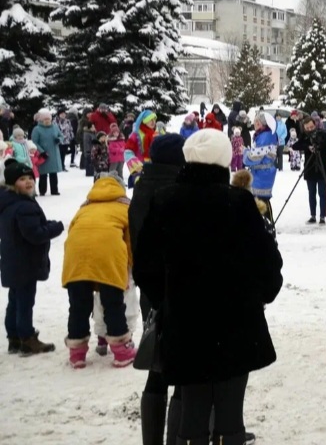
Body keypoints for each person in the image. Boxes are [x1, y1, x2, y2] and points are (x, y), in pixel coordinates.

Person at [134, 129, 283, 443]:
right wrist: (259, 296)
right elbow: (267, 263)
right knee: (230, 412)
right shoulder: (239, 203)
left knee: (193, 408)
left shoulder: (165, 201)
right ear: (225, 160)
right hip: (236, 323)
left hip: (185, 325)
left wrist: (167, 299)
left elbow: (145, 265)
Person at [128, 134, 185, 445]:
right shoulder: (174, 191)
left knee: (157, 367)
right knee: (181, 371)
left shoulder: (142, 186)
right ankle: (177, 438)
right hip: (177, 288)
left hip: (149, 288)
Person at [61, 174, 136, 369]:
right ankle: (121, 352)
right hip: (108, 257)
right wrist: (131, 269)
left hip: (76, 257)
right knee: (113, 303)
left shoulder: (84, 207)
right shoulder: (125, 206)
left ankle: (77, 353)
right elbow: (130, 242)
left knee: (78, 305)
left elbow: (72, 233)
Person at [1, 159, 64, 356]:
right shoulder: (24, 206)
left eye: (30, 178)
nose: (28, 182)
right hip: (26, 262)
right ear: (12, 183)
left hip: (12, 259)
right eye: (22, 179)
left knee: (15, 299)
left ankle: (14, 338)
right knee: (25, 301)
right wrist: (55, 227)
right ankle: (27, 339)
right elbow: (35, 235)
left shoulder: (8, 202)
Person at [292, 116, 326, 225]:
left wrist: (320, 145)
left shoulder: (323, 134)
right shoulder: (304, 136)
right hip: (310, 167)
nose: (310, 129)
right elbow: (295, 146)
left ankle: (322, 216)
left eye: (311, 127)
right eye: (307, 128)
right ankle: (313, 215)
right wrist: (308, 147)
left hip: (322, 166)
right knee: (311, 193)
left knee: (322, 193)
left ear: (315, 125)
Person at [242, 112, 279, 216]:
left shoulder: (265, 136)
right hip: (262, 173)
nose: (254, 123)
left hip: (262, 174)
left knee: (261, 201)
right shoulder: (263, 135)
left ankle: (267, 227)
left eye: (256, 121)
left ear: (262, 123)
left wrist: (245, 153)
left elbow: (255, 157)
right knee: (260, 201)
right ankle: (264, 226)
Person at [30, 109, 62, 196]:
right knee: (43, 174)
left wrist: (59, 140)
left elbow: (61, 135)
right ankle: (42, 190)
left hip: (54, 153)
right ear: (41, 120)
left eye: (48, 119)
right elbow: (34, 142)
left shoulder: (55, 127)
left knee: (53, 173)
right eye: (45, 119)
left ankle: (54, 190)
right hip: (43, 155)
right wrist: (41, 151)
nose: (47, 121)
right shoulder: (37, 129)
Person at [123, 110, 158, 179]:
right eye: (150, 119)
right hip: (141, 167)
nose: (153, 122)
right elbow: (127, 152)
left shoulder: (155, 134)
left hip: (154, 166)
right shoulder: (135, 135)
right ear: (144, 120)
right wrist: (136, 166)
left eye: (154, 119)